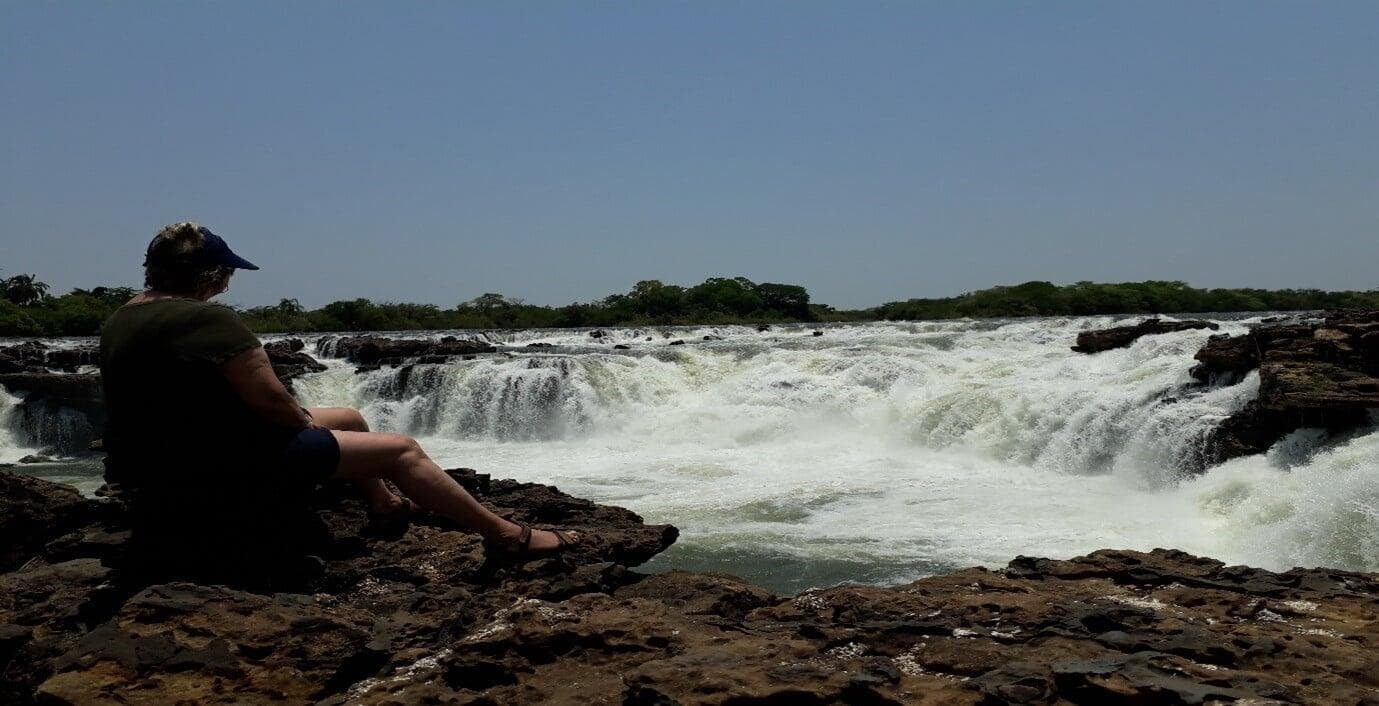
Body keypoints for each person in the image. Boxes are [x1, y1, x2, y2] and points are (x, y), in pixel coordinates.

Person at [99, 222, 576, 555]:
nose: (227, 283)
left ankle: (385, 503)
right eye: (226, 274)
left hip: (150, 463)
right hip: (220, 468)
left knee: (347, 417)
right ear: (211, 274)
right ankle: (507, 537)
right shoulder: (207, 318)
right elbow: (269, 401)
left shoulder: (123, 316)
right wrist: (302, 423)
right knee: (403, 450)